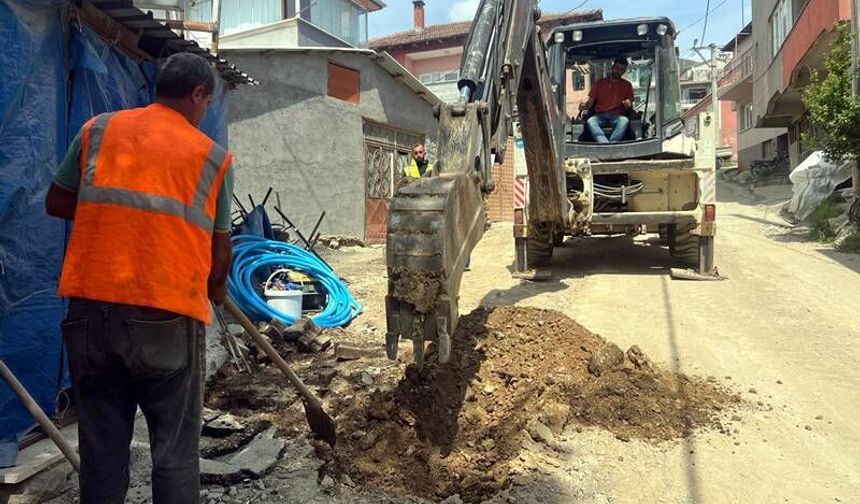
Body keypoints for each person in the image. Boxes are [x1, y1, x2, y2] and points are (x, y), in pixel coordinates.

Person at [45, 53, 234, 504]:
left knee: (103, 451)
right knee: (173, 452)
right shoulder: (210, 158)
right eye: (206, 103)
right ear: (197, 95)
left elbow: (57, 200)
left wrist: (108, 217)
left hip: (91, 315)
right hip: (166, 318)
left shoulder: (99, 130)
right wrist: (216, 289)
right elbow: (220, 252)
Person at [580, 56, 635, 143]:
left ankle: (612, 144)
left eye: (621, 69)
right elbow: (590, 102)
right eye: (617, 68)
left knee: (624, 121)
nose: (618, 71)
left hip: (617, 116)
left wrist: (628, 104)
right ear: (612, 68)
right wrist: (583, 105)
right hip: (600, 116)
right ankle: (604, 143)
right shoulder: (599, 83)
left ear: (624, 71)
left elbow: (630, 105)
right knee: (591, 121)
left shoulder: (627, 85)